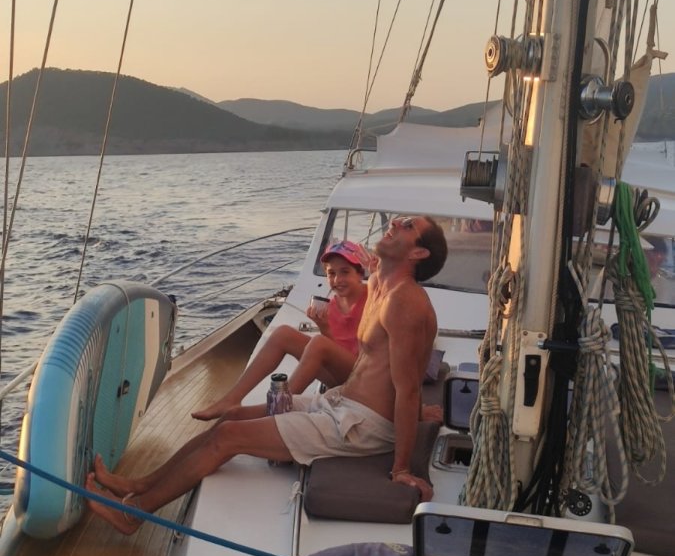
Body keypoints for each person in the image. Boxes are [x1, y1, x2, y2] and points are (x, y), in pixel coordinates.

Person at [87, 214, 448, 534]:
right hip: (340, 402)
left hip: (362, 425)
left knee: (229, 436)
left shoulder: (405, 302)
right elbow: (380, 360)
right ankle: (140, 484)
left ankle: (133, 515)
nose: (395, 222)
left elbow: (407, 387)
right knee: (229, 420)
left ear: (418, 253)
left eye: (408, 226)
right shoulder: (381, 283)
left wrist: (401, 468)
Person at [192, 240, 370, 421]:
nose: (337, 280)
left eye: (345, 272)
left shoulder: (373, 298)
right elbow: (334, 353)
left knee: (318, 343)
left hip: (366, 378)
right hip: (341, 377)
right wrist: (324, 327)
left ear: (360, 274)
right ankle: (231, 399)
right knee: (283, 333)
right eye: (331, 273)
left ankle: (281, 407)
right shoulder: (330, 306)